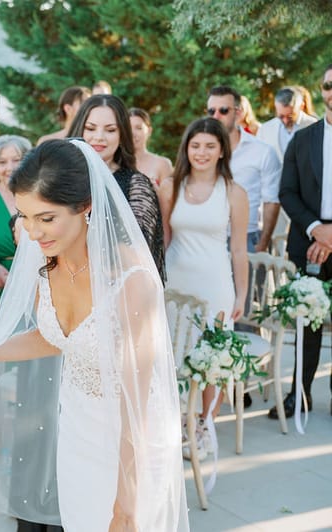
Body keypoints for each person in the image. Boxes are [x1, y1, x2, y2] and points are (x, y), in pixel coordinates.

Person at [0, 139, 188, 531]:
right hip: (76, 430)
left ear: (85, 206)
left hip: (129, 444)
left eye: (46, 218)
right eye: (25, 217)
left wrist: (127, 503)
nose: (32, 232)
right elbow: (51, 337)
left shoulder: (131, 279)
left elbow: (136, 405)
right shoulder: (46, 266)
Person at [159, 117, 249, 460]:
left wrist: (241, 295)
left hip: (215, 285)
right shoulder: (171, 186)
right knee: (176, 353)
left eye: (210, 146)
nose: (202, 152)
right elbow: (164, 237)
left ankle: (205, 426)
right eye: (196, 145)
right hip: (176, 284)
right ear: (186, 147)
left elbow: (239, 250)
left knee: (212, 358)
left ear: (222, 150)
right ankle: (177, 422)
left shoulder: (234, 193)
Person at [273, 63, 332, 420]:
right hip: (309, 242)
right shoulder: (303, 139)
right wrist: (317, 229)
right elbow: (287, 192)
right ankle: (301, 394)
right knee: (306, 323)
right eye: (328, 85)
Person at [68, 94, 165, 281]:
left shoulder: (136, 185)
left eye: (110, 130)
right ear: (80, 129)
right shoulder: (60, 177)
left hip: (114, 290)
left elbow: (139, 251)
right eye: (90, 128)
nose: (99, 137)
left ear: (122, 135)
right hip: (63, 288)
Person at [207, 86, 282, 253]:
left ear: (239, 113)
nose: (216, 116)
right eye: (211, 111)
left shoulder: (263, 152)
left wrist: (262, 244)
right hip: (207, 238)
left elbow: (271, 201)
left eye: (223, 110)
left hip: (248, 237)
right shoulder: (200, 152)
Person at [0, 134, 32, 304]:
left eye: (16, 160)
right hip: (1, 284)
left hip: (38, 283)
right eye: (2, 162)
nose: (10, 168)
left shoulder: (40, 195)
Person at [257, 86, 317, 161]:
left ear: (301, 106)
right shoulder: (265, 130)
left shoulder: (315, 127)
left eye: (290, 116)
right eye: (281, 116)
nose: (285, 121)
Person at [129, 107, 173, 187]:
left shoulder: (163, 164)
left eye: (139, 128)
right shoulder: (115, 163)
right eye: (128, 128)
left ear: (149, 131)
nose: (132, 133)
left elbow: (169, 198)